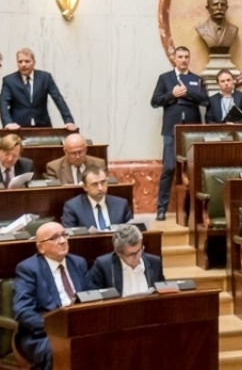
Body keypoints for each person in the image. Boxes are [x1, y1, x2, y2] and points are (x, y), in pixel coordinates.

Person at [13, 221, 89, 370]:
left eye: (64, 235)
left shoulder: (78, 263)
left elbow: (91, 297)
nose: (62, 241)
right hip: (42, 335)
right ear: (41, 247)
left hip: (79, 330)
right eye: (54, 238)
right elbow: (23, 311)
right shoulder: (28, 269)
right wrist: (56, 328)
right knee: (62, 350)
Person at [150, 46, 209, 221]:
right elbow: (155, 101)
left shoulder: (196, 79)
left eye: (186, 57)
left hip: (192, 131)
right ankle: (161, 208)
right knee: (169, 168)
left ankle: (194, 210)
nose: (183, 60)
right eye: (180, 57)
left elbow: (206, 101)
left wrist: (189, 93)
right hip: (171, 130)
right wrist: (172, 94)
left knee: (194, 171)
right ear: (174, 58)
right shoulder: (165, 78)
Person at [0, 48, 77, 130]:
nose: (23, 64)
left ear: (34, 63)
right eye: (20, 62)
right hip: (17, 127)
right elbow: (3, 103)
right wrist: (8, 123)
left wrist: (68, 121)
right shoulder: (9, 80)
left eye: (27, 61)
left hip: (42, 125)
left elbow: (58, 98)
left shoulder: (45, 77)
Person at [89, 225, 165, 296]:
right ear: (118, 253)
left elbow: (162, 293)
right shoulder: (104, 266)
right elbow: (95, 298)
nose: (138, 256)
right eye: (132, 255)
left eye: (139, 250)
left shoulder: (155, 263)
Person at [61, 166, 132, 230]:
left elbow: (131, 232)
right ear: (85, 187)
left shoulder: (121, 204)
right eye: (95, 184)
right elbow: (70, 235)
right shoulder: (73, 207)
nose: (100, 188)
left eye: (103, 182)